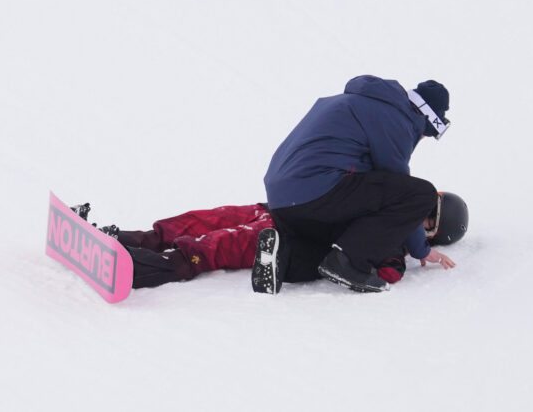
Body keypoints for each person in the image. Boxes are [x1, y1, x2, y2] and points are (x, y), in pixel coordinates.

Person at [261, 74, 456, 294]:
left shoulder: (362, 103)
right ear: (426, 121)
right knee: (422, 194)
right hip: (316, 189)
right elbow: (400, 185)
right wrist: (421, 249)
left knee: (348, 240)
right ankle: (348, 263)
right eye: (426, 134)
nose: (421, 139)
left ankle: (285, 259)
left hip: (284, 200)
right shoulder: (395, 118)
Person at [70, 190, 468, 291]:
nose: (418, 216)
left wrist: (405, 257)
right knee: (198, 221)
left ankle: (137, 266)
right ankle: (121, 238)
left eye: (428, 219)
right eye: (426, 205)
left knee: (216, 245)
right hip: (278, 209)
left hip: (282, 234)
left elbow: (386, 273)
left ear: (432, 233)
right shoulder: (385, 201)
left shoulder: (393, 244)